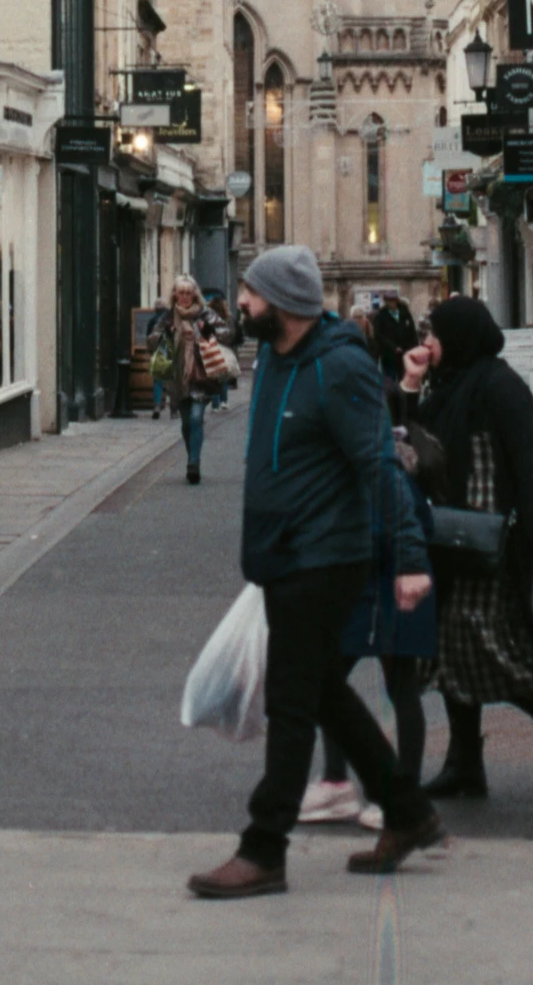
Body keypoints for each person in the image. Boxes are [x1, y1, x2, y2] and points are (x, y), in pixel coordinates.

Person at [187, 245, 443, 900]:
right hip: (283, 553)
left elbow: (379, 462)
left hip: (324, 556)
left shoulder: (340, 369)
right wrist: (218, 378)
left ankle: (263, 847)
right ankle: (408, 810)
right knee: (324, 690)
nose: (240, 303)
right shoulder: (277, 356)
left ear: (285, 303)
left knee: (294, 700)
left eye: (250, 293)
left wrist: (411, 558)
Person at [403, 294, 533, 802]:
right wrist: (411, 384)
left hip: (492, 549)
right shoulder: (447, 386)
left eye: (434, 336)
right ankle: (465, 763)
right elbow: (408, 444)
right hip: (449, 541)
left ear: (459, 338)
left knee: (492, 647)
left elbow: (528, 470)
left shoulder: (501, 387)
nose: (426, 344)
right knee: (449, 648)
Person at [302, 424, 440, 830]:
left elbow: (388, 530)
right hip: (376, 595)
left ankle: (381, 787)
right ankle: (341, 780)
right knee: (341, 684)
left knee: (381, 687)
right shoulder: (386, 468)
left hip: (387, 593)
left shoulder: (381, 474)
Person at [146, 276, 235, 485]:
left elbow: (228, 333)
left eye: (188, 292)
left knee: (196, 417)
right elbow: (151, 342)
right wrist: (164, 335)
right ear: (175, 294)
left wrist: (209, 330)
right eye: (181, 292)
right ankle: (191, 456)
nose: (185, 296)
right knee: (186, 421)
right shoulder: (168, 316)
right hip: (178, 376)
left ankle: (193, 463)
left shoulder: (206, 314)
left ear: (194, 294)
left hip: (201, 374)